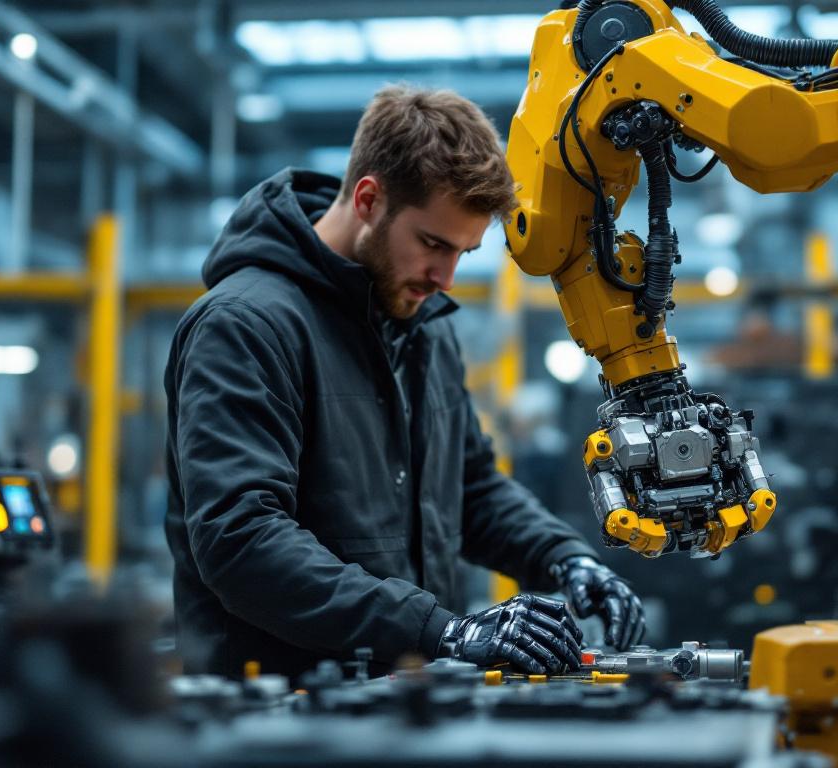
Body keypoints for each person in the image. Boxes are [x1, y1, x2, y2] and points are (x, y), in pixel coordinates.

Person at [164, 85, 645, 679]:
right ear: (369, 199)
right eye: (433, 243)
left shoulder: (421, 324)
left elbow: (467, 488)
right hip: (276, 717)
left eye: (464, 252)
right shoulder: (245, 326)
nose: (444, 277)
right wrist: (443, 629)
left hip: (404, 707)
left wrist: (564, 558)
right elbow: (242, 539)